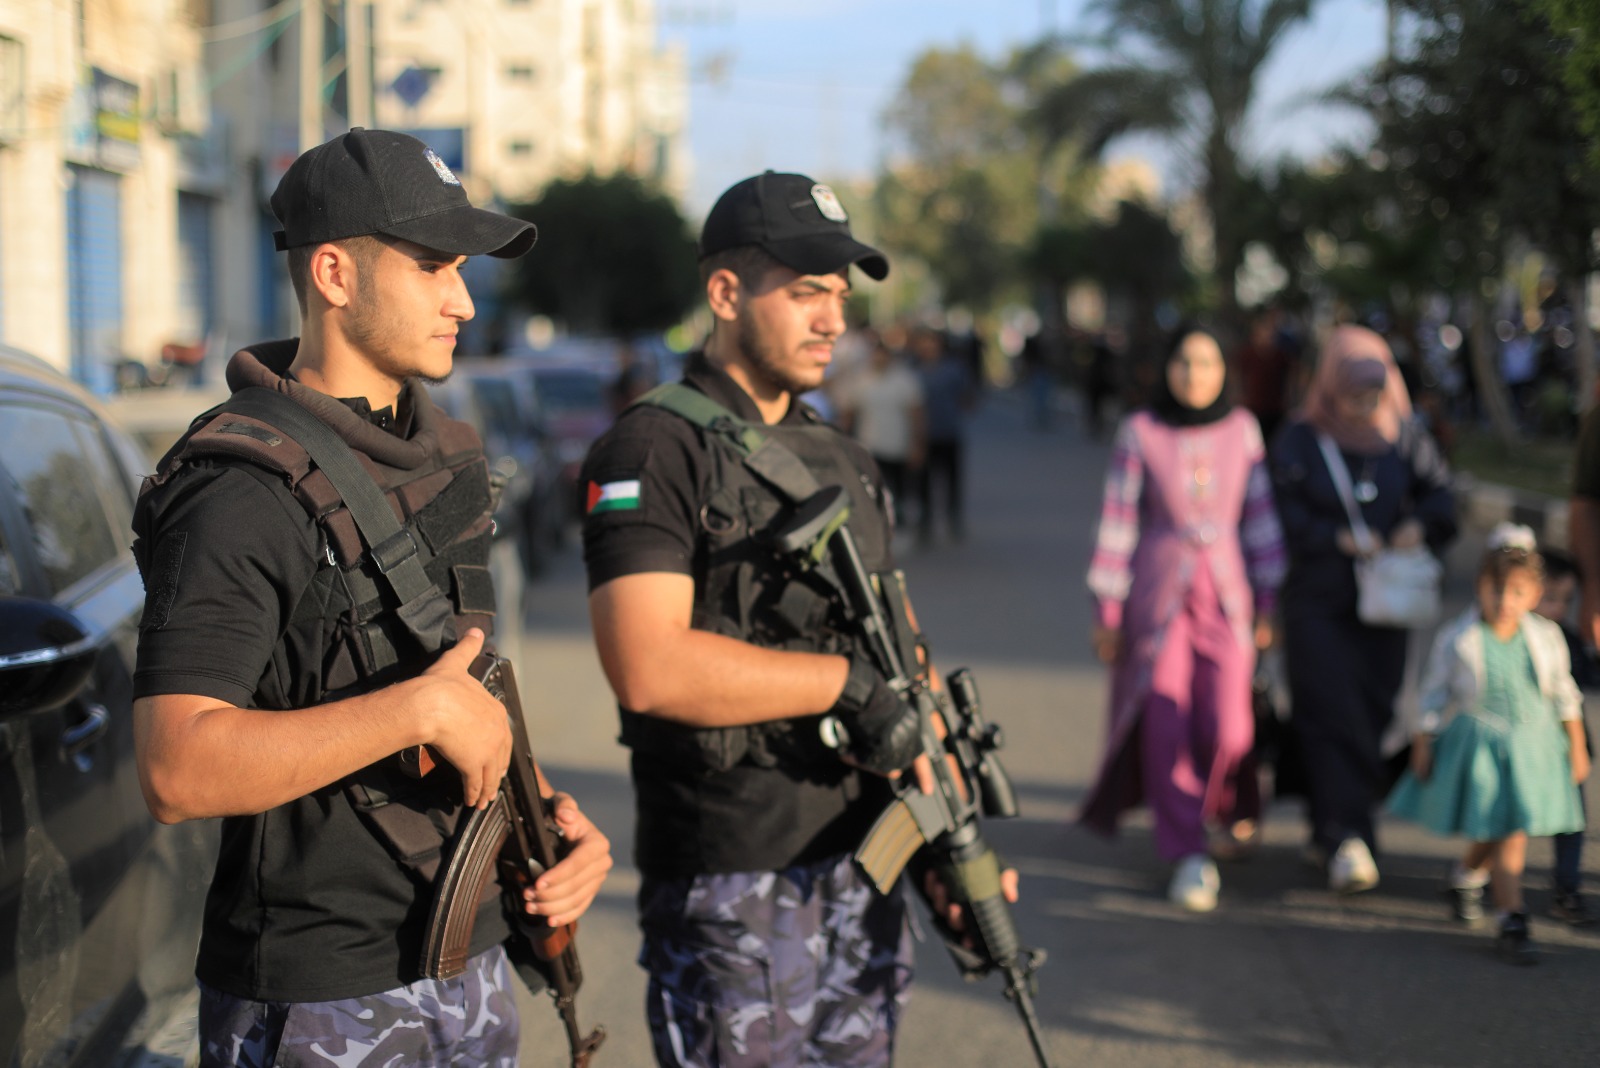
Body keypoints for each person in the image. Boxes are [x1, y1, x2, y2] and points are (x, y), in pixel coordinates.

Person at [130, 128, 612, 1066]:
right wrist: (420, 710)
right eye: (433, 267)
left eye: (463, 270)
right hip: (319, 1001)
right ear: (335, 275)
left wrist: (547, 810)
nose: (463, 300)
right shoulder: (238, 487)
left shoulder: (451, 456)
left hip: (470, 964)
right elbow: (174, 767)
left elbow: (468, 684)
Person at [579, 171, 1012, 1067]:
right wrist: (843, 688)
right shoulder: (654, 447)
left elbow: (903, 658)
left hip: (865, 862)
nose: (834, 321)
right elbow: (648, 665)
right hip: (733, 873)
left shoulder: (844, 456)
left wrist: (949, 847)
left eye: (841, 297)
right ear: (725, 293)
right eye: (807, 291)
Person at [1082, 326, 1285, 912]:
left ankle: (1218, 805)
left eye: (1206, 361)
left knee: (1230, 726)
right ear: (1166, 368)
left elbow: (1261, 518)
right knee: (1166, 723)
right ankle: (1188, 852)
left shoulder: (1243, 431)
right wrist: (1108, 608)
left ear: (1225, 369)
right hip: (1158, 599)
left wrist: (1268, 599)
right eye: (1183, 362)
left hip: (1226, 595)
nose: (1194, 374)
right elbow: (1118, 521)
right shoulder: (1140, 431)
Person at [1271, 325, 1456, 894]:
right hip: (1318, 602)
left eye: (1375, 394)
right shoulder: (1299, 439)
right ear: (1330, 386)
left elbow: (1442, 498)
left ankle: (1328, 827)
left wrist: (1415, 524)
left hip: (1386, 609)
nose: (1365, 406)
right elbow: (1277, 512)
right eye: (1354, 394)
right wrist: (1333, 538)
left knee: (1373, 714)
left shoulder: (1405, 437)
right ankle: (1350, 836)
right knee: (1330, 710)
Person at [1387, 525, 1589, 963]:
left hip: (1533, 747)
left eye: (1517, 592)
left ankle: (1465, 876)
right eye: (1495, 590)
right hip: (1481, 748)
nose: (1504, 601)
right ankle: (1511, 916)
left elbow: (1563, 691)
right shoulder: (1460, 638)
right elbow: (1435, 693)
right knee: (1504, 829)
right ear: (1480, 587)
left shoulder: (1545, 637)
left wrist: (1575, 743)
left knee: (1505, 827)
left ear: (1534, 594)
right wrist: (1423, 739)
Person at [1530, 546, 1595, 926]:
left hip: (1567, 749)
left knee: (1571, 822)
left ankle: (1566, 889)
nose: (1557, 609)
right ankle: (1475, 876)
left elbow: (1588, 677)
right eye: (1549, 597)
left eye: (1565, 601)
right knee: (1507, 823)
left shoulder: (1567, 639)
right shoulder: (1510, 639)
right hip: (1523, 746)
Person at [839, 336, 925, 524]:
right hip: (869, 445)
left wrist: (916, 445)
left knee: (899, 488)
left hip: (897, 445)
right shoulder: (862, 379)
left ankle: (900, 521)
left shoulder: (903, 380)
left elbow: (916, 414)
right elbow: (849, 412)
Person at [911, 326, 974, 543]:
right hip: (922, 435)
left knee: (951, 480)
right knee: (923, 482)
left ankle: (953, 520)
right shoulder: (913, 370)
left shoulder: (953, 369)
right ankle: (925, 524)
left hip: (948, 431)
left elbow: (967, 397)